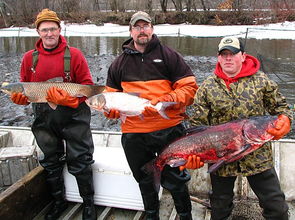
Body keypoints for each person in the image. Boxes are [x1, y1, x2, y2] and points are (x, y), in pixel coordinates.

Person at [104, 11, 203, 220]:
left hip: (169, 128)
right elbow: (109, 98)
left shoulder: (169, 56)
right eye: (137, 27)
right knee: (144, 177)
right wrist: (110, 111)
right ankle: (151, 214)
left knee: (176, 176)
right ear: (131, 31)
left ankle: (185, 214)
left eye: (145, 26)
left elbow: (190, 89)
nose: (142, 30)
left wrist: (166, 100)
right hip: (134, 132)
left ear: (152, 29)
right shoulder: (118, 64)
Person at [189, 36, 292, 220]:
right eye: (224, 54)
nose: (228, 58)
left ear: (243, 56)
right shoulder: (206, 87)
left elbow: (282, 108)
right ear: (218, 58)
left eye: (233, 54)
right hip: (221, 157)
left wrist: (285, 120)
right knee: (219, 209)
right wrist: (194, 155)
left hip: (257, 155)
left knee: (276, 207)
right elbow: (197, 126)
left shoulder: (261, 80)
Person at [10, 9, 97, 220]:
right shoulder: (29, 58)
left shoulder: (74, 55)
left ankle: (88, 204)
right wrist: (19, 98)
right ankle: (59, 202)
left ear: (59, 29)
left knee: (81, 160)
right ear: (38, 32)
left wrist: (72, 99)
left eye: (53, 29)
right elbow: (23, 86)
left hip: (74, 115)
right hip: (44, 117)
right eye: (44, 30)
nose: (49, 33)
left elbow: (87, 85)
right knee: (50, 161)